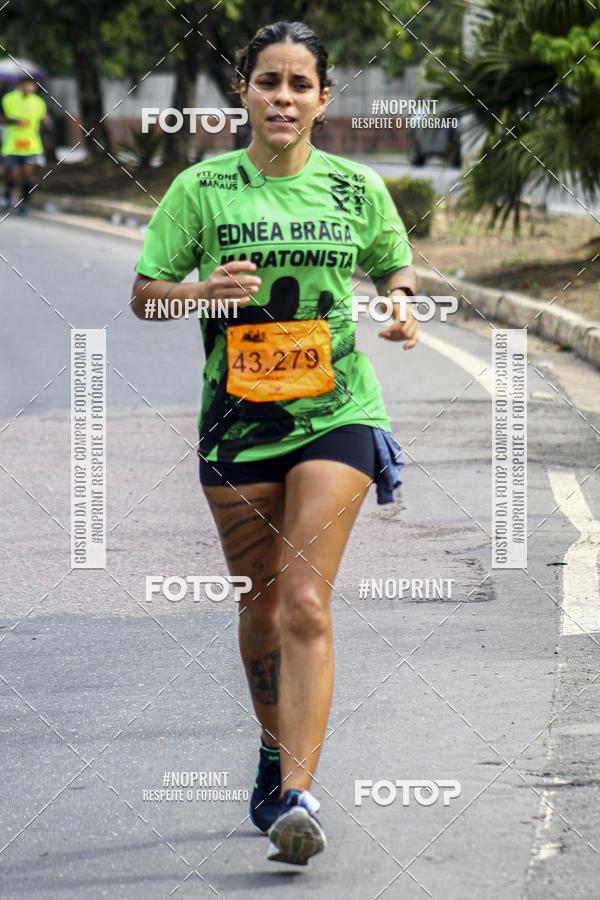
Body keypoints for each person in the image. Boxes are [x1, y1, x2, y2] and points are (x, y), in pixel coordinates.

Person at [130, 20, 419, 866]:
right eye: (268, 82)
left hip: (340, 415)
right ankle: (270, 749)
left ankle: (298, 795)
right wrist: (198, 290)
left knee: (304, 603)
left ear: (323, 99)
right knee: (259, 610)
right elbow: (147, 295)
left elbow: (394, 261)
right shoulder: (202, 188)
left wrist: (401, 303)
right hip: (238, 424)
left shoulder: (355, 188)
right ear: (243, 92)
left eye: (300, 84)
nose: (283, 97)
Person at [1, 75, 48, 215]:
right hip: (13, 144)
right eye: (27, 84)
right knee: (14, 174)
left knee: (29, 174)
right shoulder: (8, 99)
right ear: (20, 85)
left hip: (32, 144)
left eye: (33, 85)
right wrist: (15, 121)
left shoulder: (39, 102)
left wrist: (45, 120)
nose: (30, 87)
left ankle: (25, 203)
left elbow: (43, 121)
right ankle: (7, 194)